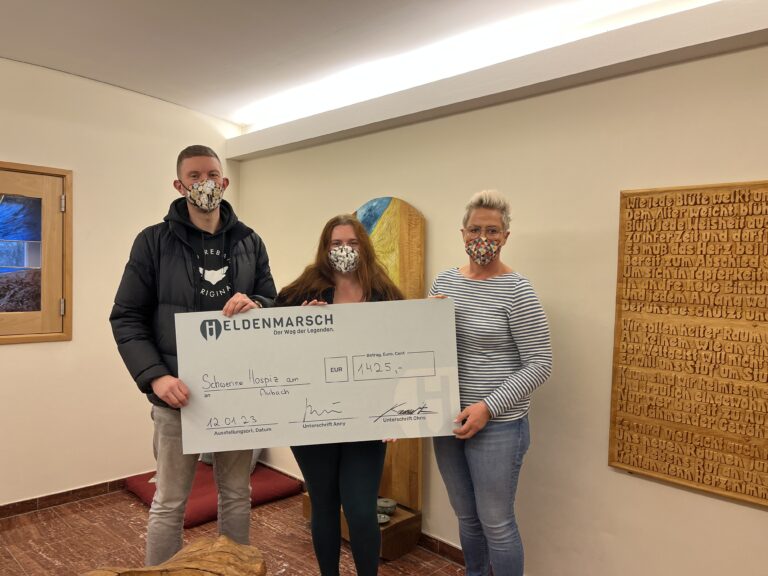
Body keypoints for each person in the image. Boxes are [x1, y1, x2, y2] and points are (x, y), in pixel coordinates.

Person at [109, 144, 276, 565]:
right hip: (176, 397)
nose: (205, 183)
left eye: (212, 175)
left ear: (225, 181)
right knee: (170, 503)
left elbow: (271, 301)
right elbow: (126, 317)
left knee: (237, 494)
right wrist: (156, 377)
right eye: (194, 176)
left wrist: (257, 304)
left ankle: (234, 570)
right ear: (179, 185)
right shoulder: (152, 242)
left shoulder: (250, 241)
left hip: (237, 393)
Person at [429, 190, 552, 576]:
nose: (483, 238)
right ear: (462, 234)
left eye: (492, 231)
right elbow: (428, 346)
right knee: (466, 518)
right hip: (449, 420)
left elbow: (540, 363)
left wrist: (487, 407)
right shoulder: (445, 281)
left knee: (497, 524)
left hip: (498, 426)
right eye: (475, 229)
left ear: (505, 237)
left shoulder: (517, 290)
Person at [276, 214, 403, 576]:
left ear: (364, 247)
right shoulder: (299, 293)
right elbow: (273, 349)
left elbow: (407, 350)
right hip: (312, 418)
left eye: (351, 243)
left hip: (367, 419)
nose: (344, 250)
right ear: (325, 248)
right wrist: (299, 325)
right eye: (336, 243)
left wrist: (399, 410)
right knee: (324, 505)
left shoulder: (385, 294)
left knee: (362, 510)